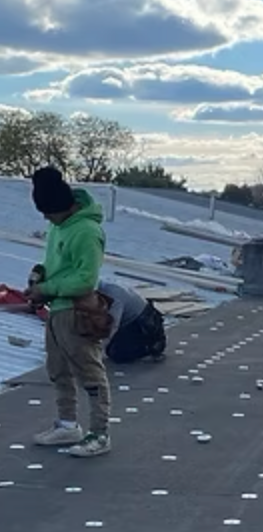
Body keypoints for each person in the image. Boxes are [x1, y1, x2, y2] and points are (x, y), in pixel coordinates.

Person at [25, 167, 112, 458]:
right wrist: (40, 276)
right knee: (58, 370)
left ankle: (99, 433)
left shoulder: (86, 231)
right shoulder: (58, 225)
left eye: (48, 211)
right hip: (56, 311)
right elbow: (56, 264)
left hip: (77, 311)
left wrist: (49, 288)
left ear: (64, 206)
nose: (45, 218)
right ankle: (67, 424)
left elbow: (86, 279)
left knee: (89, 372)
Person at [98, 280, 166, 363]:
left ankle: (151, 345)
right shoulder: (102, 289)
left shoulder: (113, 296)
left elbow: (112, 325)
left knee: (117, 354)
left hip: (142, 322)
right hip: (130, 319)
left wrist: (98, 349)